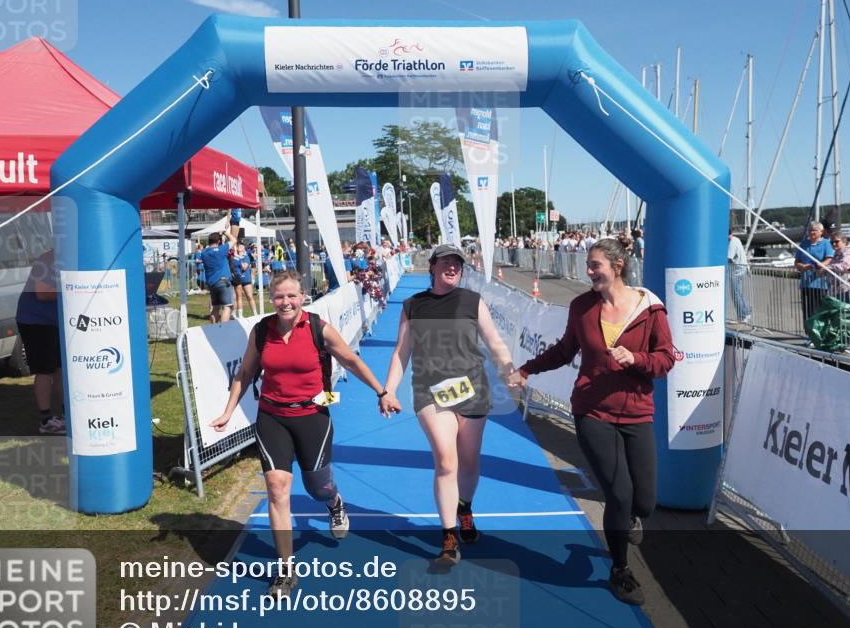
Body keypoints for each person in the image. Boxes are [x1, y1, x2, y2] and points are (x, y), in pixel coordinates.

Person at [508, 238, 676, 606]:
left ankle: (629, 519)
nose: (588, 271)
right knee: (618, 494)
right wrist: (527, 369)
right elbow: (565, 350)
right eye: (588, 265)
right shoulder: (583, 306)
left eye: (595, 265)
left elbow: (666, 359)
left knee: (643, 502)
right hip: (591, 412)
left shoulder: (650, 309)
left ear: (617, 266)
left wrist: (635, 359)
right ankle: (620, 570)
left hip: (636, 412)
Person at [211, 270, 393, 597]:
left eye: (292, 296)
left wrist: (382, 392)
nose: (285, 302)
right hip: (272, 417)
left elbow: (351, 362)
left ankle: (334, 502)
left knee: (317, 486)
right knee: (277, 488)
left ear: (302, 297)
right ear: (272, 297)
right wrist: (227, 412)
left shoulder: (317, 329)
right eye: (279, 296)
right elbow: (245, 372)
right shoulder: (262, 331)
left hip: (313, 416)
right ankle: (286, 570)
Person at [379, 245, 515, 567]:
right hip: (430, 391)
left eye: (457, 263)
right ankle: (449, 537)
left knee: (469, 462)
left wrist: (509, 369)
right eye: (446, 262)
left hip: (473, 391)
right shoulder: (414, 305)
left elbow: (494, 342)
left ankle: (464, 508)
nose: (452, 267)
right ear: (433, 267)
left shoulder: (472, 301)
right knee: (446, 459)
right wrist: (389, 390)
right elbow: (402, 351)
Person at [15, 249, 65, 434]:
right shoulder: (46, 260)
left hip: (54, 321)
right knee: (45, 370)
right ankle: (46, 420)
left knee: (61, 368)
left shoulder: (69, 257)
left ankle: (65, 412)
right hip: (35, 321)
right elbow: (42, 293)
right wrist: (73, 288)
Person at [825, 231, 850, 350]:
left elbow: (843, 266)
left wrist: (826, 267)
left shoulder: (849, 252)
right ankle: (848, 339)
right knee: (842, 316)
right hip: (837, 289)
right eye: (832, 242)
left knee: (849, 315)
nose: (834, 244)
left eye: (836, 241)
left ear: (844, 241)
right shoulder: (836, 254)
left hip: (848, 289)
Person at [794, 222, 834, 337]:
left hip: (821, 282)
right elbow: (797, 261)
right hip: (806, 283)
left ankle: (821, 333)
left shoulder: (826, 243)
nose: (812, 232)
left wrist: (820, 266)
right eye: (810, 230)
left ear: (821, 232)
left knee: (819, 310)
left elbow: (829, 259)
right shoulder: (804, 243)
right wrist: (802, 266)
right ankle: (810, 333)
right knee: (807, 310)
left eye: (814, 230)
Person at [200, 226, 238, 323]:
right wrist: (225, 233)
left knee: (215, 308)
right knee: (227, 306)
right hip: (223, 281)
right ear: (219, 242)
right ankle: (222, 330)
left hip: (212, 284)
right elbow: (234, 240)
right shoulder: (221, 250)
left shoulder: (204, 253)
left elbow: (209, 248)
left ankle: (214, 329)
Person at [727, 227, 752, 323]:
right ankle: (746, 312)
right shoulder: (736, 239)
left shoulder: (732, 242)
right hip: (742, 269)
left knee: (735, 294)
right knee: (738, 293)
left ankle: (742, 316)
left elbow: (729, 258)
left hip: (737, 271)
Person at [231, 242, 258, 318]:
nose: (239, 247)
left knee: (249, 296)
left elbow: (244, 267)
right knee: (236, 297)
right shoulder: (234, 257)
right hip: (237, 279)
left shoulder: (246, 257)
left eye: (241, 246)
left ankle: (255, 313)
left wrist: (239, 259)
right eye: (238, 246)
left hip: (246, 279)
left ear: (244, 248)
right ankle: (236, 314)